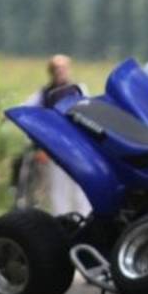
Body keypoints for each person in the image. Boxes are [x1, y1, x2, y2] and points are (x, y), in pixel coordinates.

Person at [20, 54, 92, 217]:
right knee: (57, 189)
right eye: (56, 69)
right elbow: (27, 108)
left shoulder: (78, 89)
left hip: (77, 146)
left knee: (80, 188)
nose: (59, 72)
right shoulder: (44, 93)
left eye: (62, 69)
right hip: (55, 147)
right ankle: (62, 221)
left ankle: (84, 217)